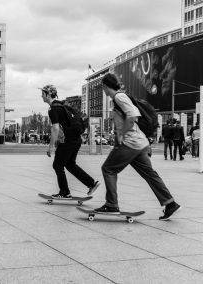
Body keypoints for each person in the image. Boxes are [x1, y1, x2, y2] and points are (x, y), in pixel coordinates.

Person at [96, 73, 181, 220]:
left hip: (130, 143)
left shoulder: (119, 97)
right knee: (149, 174)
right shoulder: (119, 98)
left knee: (108, 169)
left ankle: (111, 205)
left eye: (103, 87)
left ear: (105, 86)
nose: (103, 90)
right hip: (140, 143)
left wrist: (121, 134)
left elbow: (133, 116)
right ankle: (170, 204)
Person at [40, 84, 100, 199]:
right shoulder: (62, 106)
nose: (41, 96)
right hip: (76, 139)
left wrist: (50, 147)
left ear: (48, 95)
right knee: (70, 164)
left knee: (57, 165)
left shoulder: (53, 109)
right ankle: (91, 183)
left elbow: (56, 128)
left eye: (43, 94)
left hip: (68, 140)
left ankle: (64, 193)